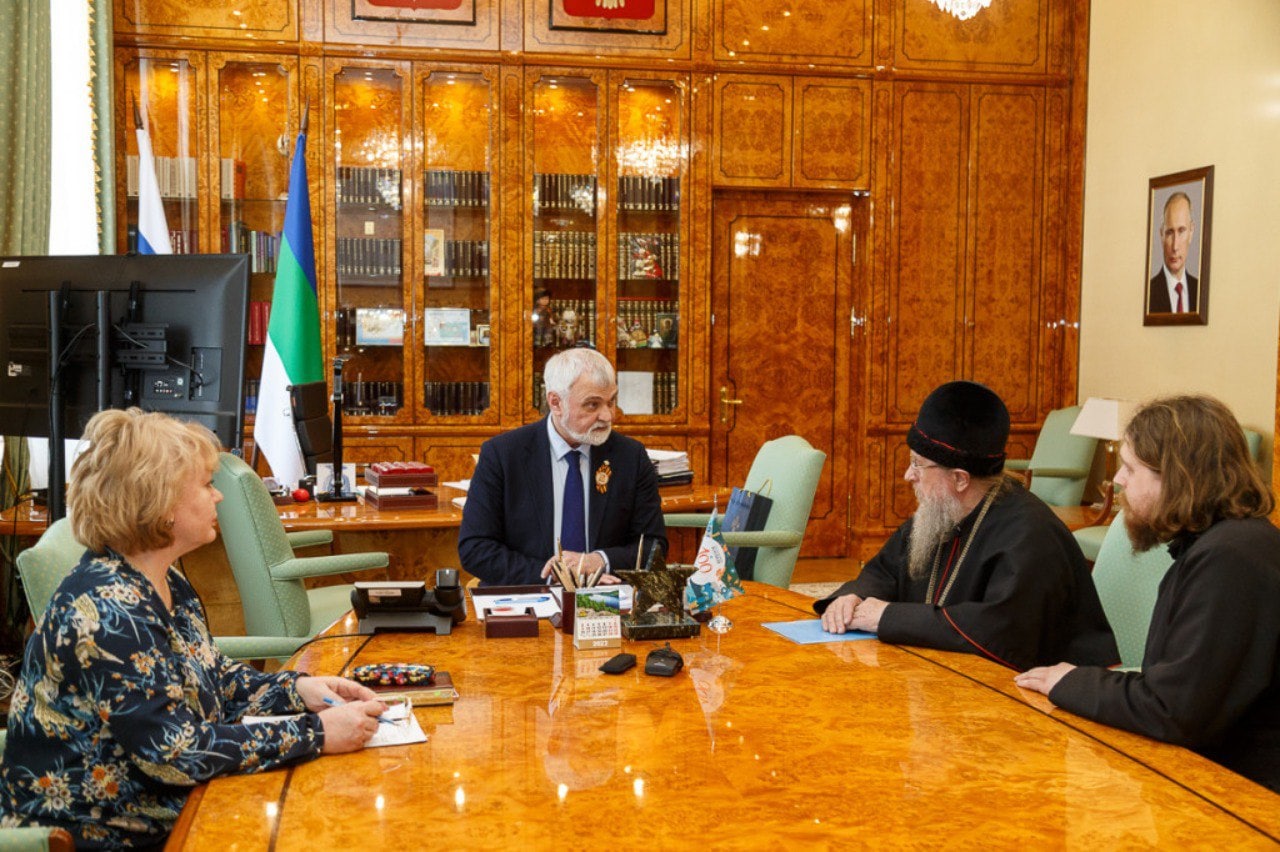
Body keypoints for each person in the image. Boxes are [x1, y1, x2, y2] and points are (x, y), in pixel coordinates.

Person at [0, 409, 387, 848]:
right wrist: (316, 733)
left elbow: (214, 677)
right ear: (161, 503)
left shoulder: (163, 579)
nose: (218, 496)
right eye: (205, 485)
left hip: (171, 807)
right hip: (102, 833)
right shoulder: (107, 612)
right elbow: (174, 754)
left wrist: (300, 691)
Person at [1015, 395, 1280, 793]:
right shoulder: (1225, 544)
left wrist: (1070, 681)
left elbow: (1173, 709)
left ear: (1178, 478)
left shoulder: (1229, 560)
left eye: (1130, 468)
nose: (1118, 480)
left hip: (1241, 796)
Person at [815, 381, 1119, 671]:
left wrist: (888, 617)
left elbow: (999, 633)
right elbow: (885, 570)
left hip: (1041, 695)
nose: (908, 475)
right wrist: (854, 596)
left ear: (960, 479)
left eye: (918, 464)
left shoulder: (1030, 536)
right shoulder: (942, 513)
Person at [459, 347, 667, 586]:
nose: (607, 416)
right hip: (528, 593)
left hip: (605, 595)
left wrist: (599, 560)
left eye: (611, 402)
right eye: (592, 405)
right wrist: (555, 576)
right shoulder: (503, 454)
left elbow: (654, 546)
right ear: (556, 403)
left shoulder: (630, 456)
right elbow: (475, 548)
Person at [1147, 191, 1199, 314]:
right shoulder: (1148, 293)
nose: (1175, 246)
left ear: (1191, 232)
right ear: (1161, 235)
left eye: (1181, 231)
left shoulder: (1199, 291)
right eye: (1169, 233)